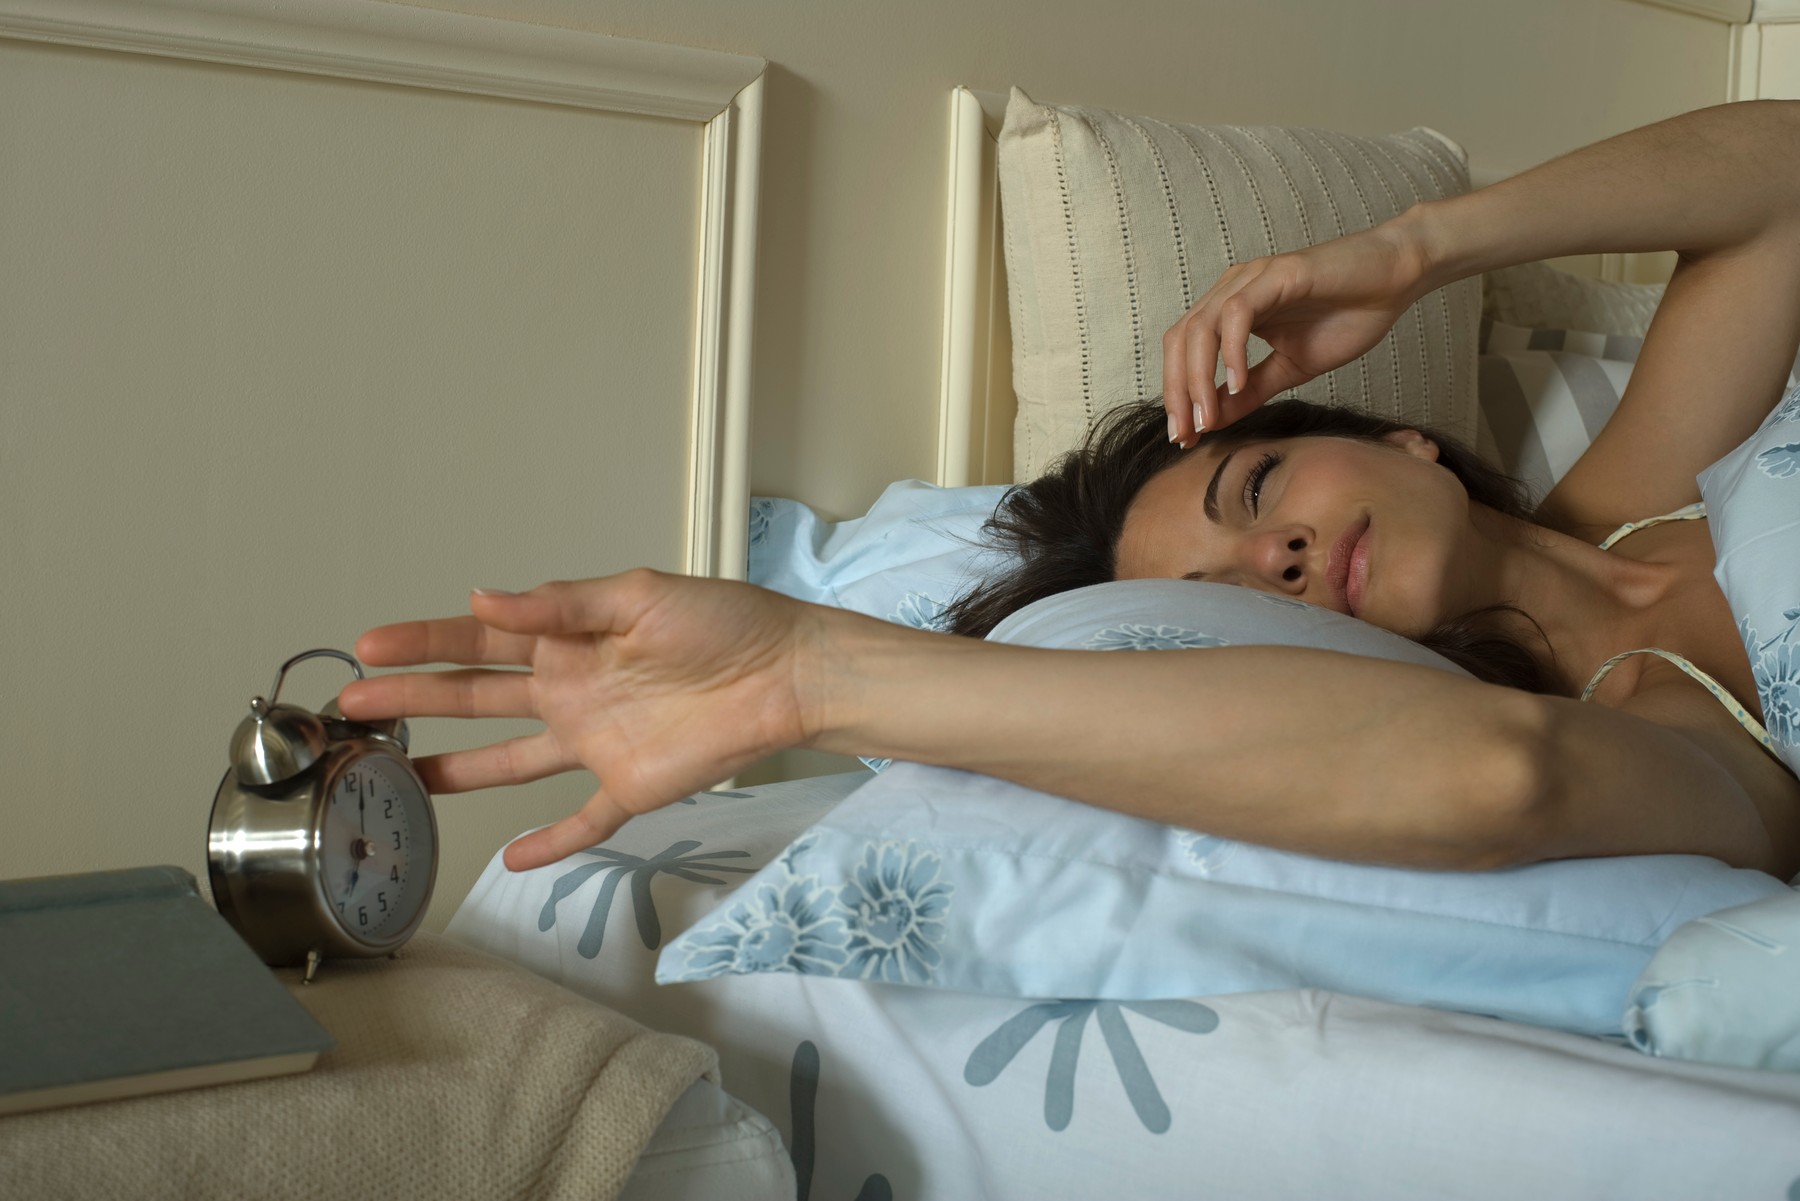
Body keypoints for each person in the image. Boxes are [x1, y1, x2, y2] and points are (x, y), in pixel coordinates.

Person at [339, 101, 1800, 880]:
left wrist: (1413, 254)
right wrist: (816, 675)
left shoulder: (1645, 483)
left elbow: (1783, 173)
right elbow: (1493, 780)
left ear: (1406, 439)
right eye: (1228, 605)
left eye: (1261, 486)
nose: (1279, 560)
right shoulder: (1651, 744)